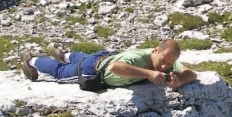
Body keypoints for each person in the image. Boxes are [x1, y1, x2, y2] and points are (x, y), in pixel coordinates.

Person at [21, 38, 197, 90]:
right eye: (163, 61)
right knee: (60, 72)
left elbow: (191, 73)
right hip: (93, 70)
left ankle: (65, 54)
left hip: (104, 57)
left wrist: (180, 80)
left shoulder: (166, 62)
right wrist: (148, 74)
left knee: (85, 57)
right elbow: (115, 68)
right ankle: (31, 61)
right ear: (155, 51)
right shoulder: (138, 59)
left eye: (170, 64)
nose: (165, 66)